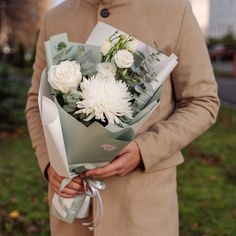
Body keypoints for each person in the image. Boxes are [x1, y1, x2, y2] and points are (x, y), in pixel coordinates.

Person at [25, 0, 220, 235]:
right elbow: (36, 102)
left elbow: (202, 101)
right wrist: (49, 163)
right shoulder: (55, 17)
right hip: (72, 207)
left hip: (142, 207)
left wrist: (144, 150)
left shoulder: (174, 10)